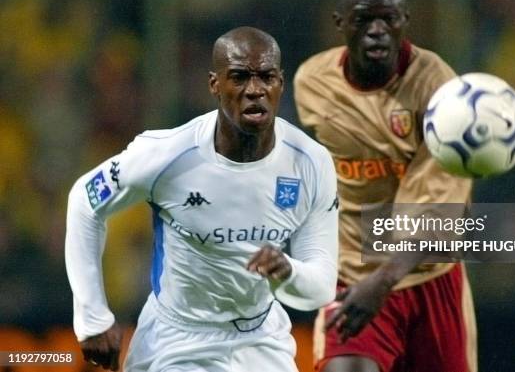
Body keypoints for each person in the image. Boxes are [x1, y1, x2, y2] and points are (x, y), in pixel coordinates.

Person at [65, 26, 339, 372]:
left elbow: (321, 287)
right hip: (176, 342)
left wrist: (288, 272)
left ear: (280, 83)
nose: (255, 90)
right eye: (239, 77)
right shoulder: (166, 154)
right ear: (214, 84)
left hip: (262, 341)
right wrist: (91, 318)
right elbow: (84, 202)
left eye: (266, 77)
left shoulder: (311, 162)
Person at [294, 0, 477, 372]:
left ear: (405, 22)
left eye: (388, 19)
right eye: (363, 20)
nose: (377, 30)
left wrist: (384, 280)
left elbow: (443, 219)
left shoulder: (439, 91)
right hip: (352, 276)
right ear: (340, 23)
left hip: (428, 277)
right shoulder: (312, 84)